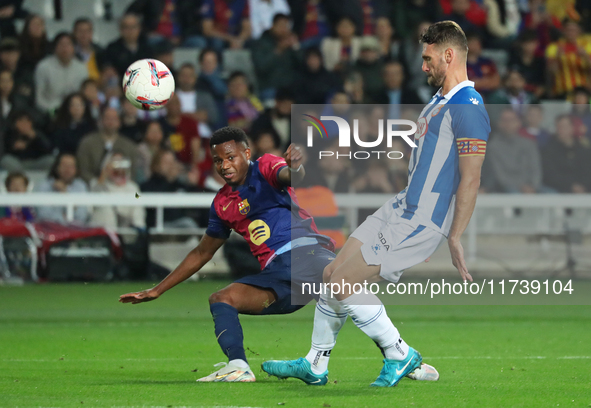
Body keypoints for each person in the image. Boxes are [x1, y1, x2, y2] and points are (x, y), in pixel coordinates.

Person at [262, 20, 490, 387]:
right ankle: (315, 364)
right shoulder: (438, 101)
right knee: (330, 275)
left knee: (344, 283)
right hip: (400, 206)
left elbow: (472, 176)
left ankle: (399, 353)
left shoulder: (469, 106)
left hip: (421, 219)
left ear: (449, 55)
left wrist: (454, 236)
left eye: (428, 58)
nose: (423, 65)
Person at [119, 127, 336, 383]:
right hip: (282, 280)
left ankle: (393, 351)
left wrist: (296, 167)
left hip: (306, 256)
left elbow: (288, 176)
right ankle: (238, 366)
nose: (224, 165)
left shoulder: (265, 167)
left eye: (230, 157)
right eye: (218, 160)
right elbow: (202, 252)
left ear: (246, 153)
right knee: (222, 299)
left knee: (349, 296)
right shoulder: (222, 204)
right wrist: (158, 290)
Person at [76, 107, 140, 184]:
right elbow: (83, 170)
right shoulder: (87, 143)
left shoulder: (129, 146)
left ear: (120, 122)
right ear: (101, 121)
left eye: (114, 119)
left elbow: (132, 171)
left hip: (122, 188)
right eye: (107, 118)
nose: (110, 122)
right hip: (93, 188)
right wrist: (96, 183)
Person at [34, 32, 88, 114]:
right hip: (49, 111)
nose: (65, 48)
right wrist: (52, 111)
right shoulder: (43, 67)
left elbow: (84, 95)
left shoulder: (81, 68)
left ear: (74, 48)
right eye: (61, 45)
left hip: (75, 112)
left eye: (68, 45)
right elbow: (39, 97)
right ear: (55, 47)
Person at [90, 153, 146, 229]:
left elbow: (138, 210)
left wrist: (139, 230)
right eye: (115, 163)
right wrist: (105, 172)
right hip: (103, 232)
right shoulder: (97, 184)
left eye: (122, 162)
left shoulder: (133, 187)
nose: (119, 168)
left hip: (125, 231)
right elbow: (94, 200)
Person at [36, 153, 89, 224]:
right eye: (64, 165)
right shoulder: (45, 186)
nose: (67, 170)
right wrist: (64, 220)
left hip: (75, 231)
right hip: (50, 230)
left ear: (76, 169)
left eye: (71, 166)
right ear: (57, 167)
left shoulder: (80, 186)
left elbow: (81, 216)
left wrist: (65, 192)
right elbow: (43, 215)